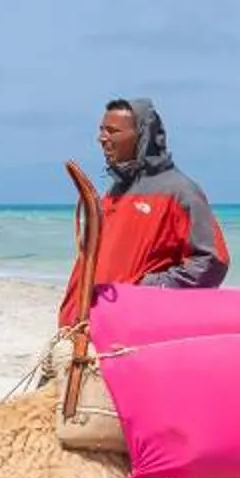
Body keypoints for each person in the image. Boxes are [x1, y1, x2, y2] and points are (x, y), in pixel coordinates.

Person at [58, 97, 229, 325]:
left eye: (112, 131)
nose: (102, 138)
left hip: (128, 332)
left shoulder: (180, 191)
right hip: (83, 330)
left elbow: (212, 261)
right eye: (101, 130)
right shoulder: (114, 193)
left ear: (142, 136)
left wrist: (146, 288)